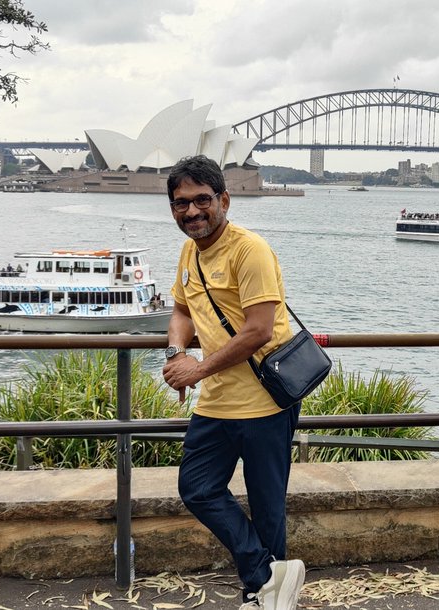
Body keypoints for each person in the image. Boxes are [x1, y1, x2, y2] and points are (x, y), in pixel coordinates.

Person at [160, 155, 305, 610]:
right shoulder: (190, 252)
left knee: (267, 509)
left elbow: (259, 329)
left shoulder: (250, 250)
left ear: (224, 199)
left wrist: (197, 369)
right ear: (172, 208)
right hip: (217, 401)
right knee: (197, 487)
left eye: (203, 200)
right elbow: (182, 310)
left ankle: (261, 597)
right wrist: (177, 353)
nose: (192, 211)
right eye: (181, 203)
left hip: (265, 401)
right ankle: (268, 579)